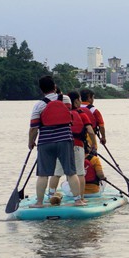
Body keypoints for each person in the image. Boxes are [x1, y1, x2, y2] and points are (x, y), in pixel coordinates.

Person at [28, 76, 84, 207]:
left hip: (45, 142)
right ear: (54, 86)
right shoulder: (66, 99)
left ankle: (39, 202)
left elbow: (34, 128)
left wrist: (31, 142)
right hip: (65, 140)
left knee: (43, 174)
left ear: (41, 90)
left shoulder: (39, 105)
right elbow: (67, 113)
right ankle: (78, 200)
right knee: (71, 172)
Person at [48, 91, 97, 202]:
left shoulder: (61, 114)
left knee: (57, 173)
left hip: (61, 146)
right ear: (75, 101)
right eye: (79, 99)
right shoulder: (81, 114)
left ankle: (50, 195)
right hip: (78, 146)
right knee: (80, 173)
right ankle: (80, 198)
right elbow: (90, 131)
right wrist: (93, 144)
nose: (81, 102)